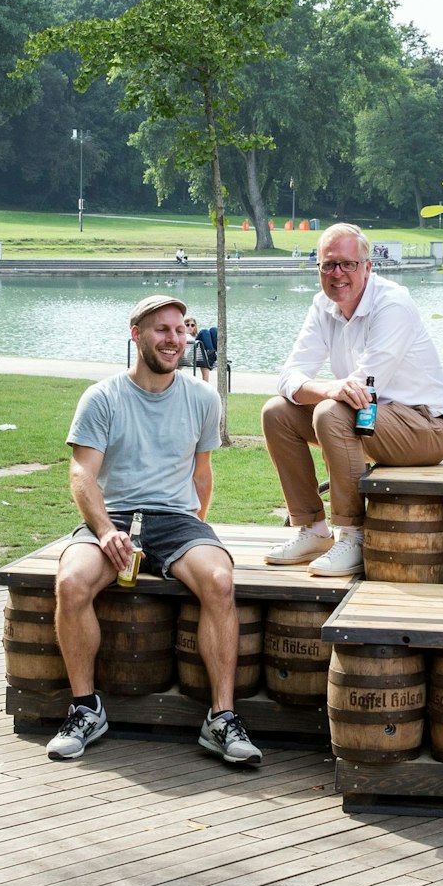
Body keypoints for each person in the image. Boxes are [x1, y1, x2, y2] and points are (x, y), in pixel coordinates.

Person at [47, 293, 262, 768]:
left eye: (180, 329)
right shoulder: (102, 397)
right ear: (136, 335)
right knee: (70, 581)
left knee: (220, 581)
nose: (173, 339)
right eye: (161, 330)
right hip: (116, 517)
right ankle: (86, 709)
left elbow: (201, 473)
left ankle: (221, 718)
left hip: (176, 521)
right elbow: (82, 475)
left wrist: (199, 531)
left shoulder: (204, 398)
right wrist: (104, 532)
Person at [261, 222, 443, 577]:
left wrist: (330, 392)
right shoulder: (322, 306)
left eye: (348, 264)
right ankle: (312, 529)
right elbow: (289, 376)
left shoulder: (393, 303)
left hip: (426, 426)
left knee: (332, 412)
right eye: (328, 264)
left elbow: (364, 386)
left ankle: (353, 535)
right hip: (368, 421)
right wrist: (326, 389)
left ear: (368, 266)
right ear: (318, 268)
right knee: (277, 413)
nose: (338, 273)